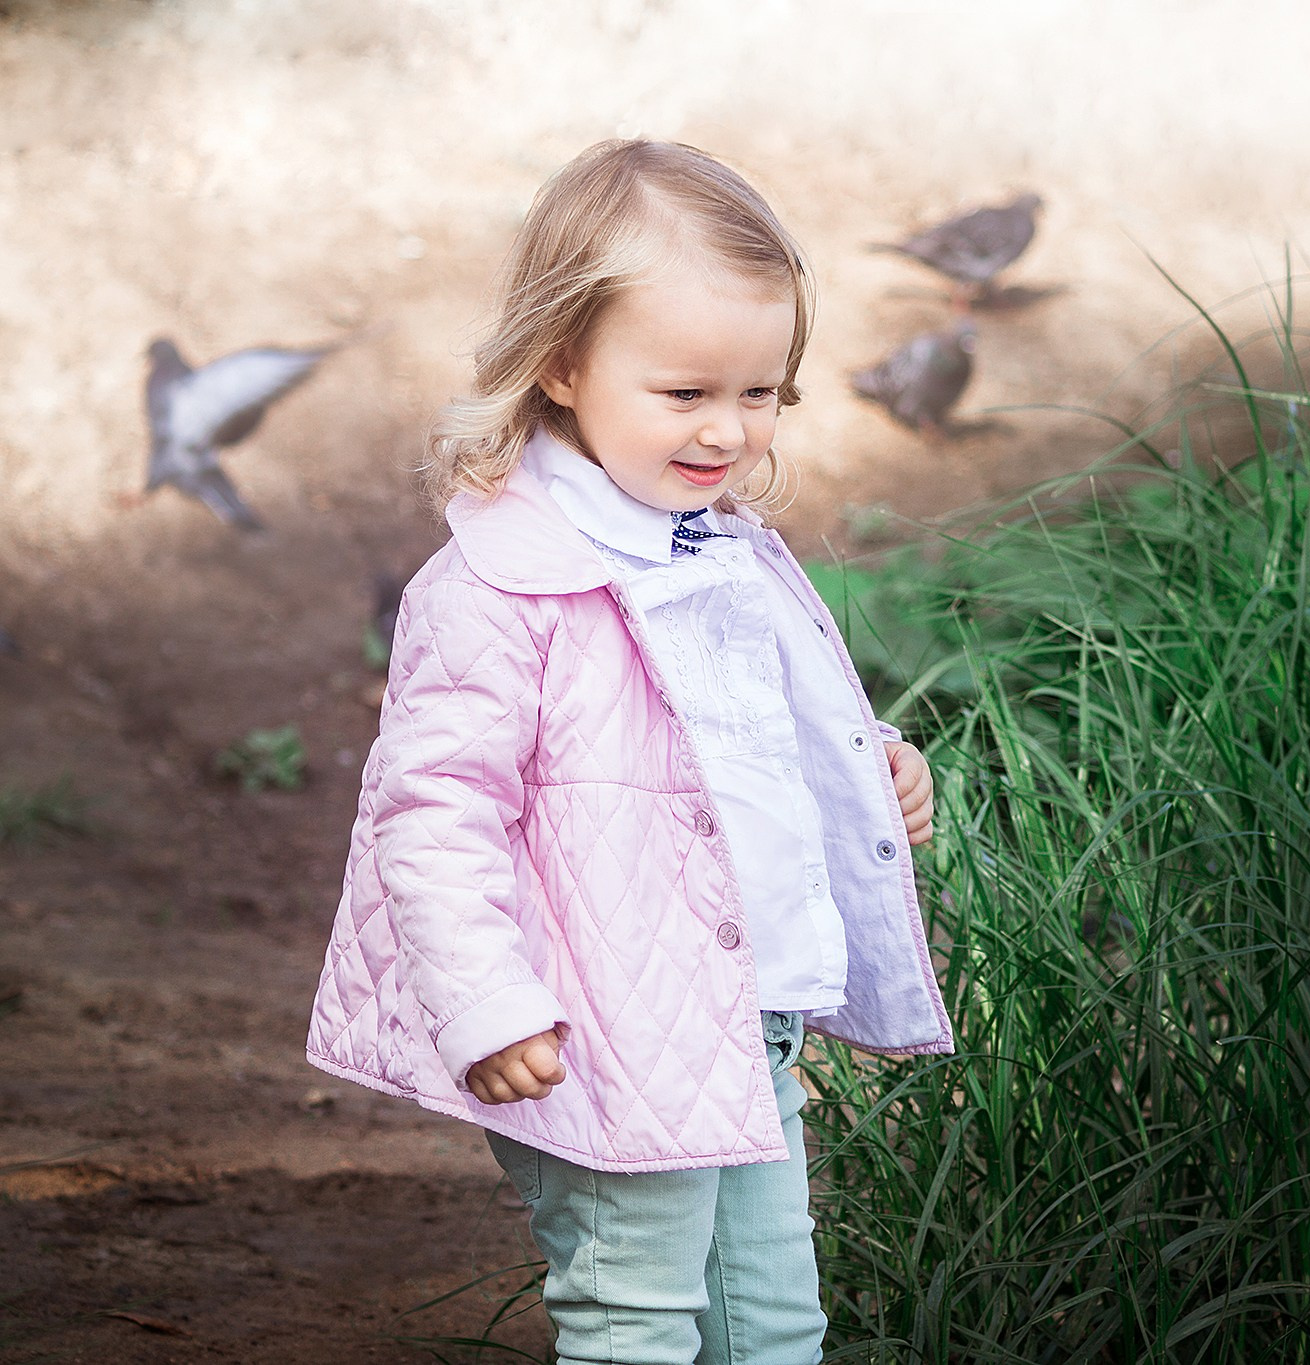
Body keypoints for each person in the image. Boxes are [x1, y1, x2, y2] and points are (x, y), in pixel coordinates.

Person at [305, 139, 955, 1365]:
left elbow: (738, 724)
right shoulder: (499, 586)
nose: (727, 430)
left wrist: (868, 757)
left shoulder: (720, 547)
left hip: (739, 1014)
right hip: (592, 1025)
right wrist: (485, 1003)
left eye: (760, 393)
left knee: (771, 1324)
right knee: (638, 1316)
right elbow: (431, 810)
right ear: (560, 364)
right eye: (684, 393)